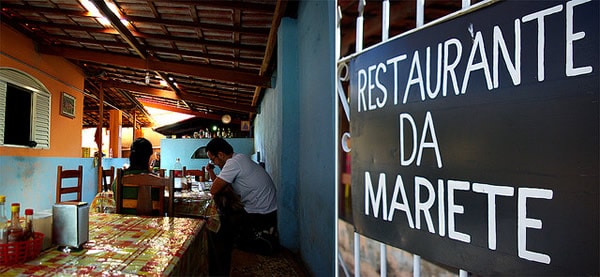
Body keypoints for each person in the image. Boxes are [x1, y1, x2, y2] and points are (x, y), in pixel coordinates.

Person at [205, 137, 278, 274]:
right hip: (268, 209)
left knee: (219, 227)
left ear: (220, 155)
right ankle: (245, 239)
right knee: (226, 215)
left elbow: (214, 189)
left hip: (261, 213)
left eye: (213, 159)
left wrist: (213, 173)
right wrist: (211, 171)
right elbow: (222, 188)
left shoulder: (233, 163)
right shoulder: (240, 158)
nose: (213, 162)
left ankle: (220, 267)